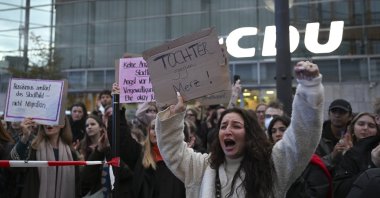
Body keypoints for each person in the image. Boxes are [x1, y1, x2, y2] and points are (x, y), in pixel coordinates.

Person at [155, 60, 324, 197]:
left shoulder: (272, 165)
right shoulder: (201, 167)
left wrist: (310, 88)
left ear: (250, 134)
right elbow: (173, 150)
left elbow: (301, 140)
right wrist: (173, 115)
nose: (227, 130)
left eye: (236, 125)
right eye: (223, 126)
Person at [10, 117, 80, 198]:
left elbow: (77, 185)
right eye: (46, 120)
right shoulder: (33, 148)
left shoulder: (71, 153)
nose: (48, 123)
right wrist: (25, 137)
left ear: (62, 124)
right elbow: (12, 167)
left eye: (53, 119)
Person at [333, 112, 380, 197]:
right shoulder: (344, 150)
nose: (365, 128)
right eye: (361, 124)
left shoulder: (377, 152)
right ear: (353, 128)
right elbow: (339, 189)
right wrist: (333, 156)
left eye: (371, 126)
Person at [315, 99, 353, 172]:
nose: (337, 115)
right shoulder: (317, 137)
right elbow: (314, 166)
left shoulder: (355, 134)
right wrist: (333, 156)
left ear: (350, 117)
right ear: (329, 114)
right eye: (334, 111)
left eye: (342, 112)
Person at [80, 114, 111, 197]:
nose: (89, 127)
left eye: (93, 124)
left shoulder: (108, 145)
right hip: (88, 190)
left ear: (101, 127)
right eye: (87, 125)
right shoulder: (82, 147)